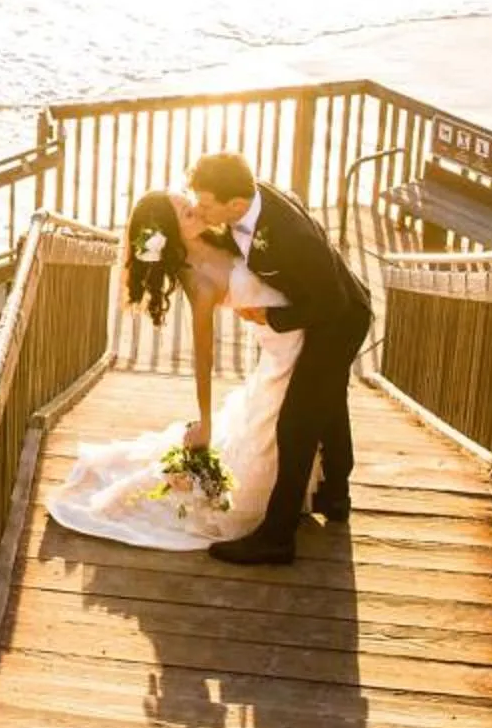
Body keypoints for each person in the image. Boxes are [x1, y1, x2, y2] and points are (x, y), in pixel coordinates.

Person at [40, 189, 304, 550]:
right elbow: (204, 357)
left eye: (189, 203)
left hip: (291, 328)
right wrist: (205, 422)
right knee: (268, 433)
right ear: (170, 232)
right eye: (186, 212)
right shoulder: (199, 283)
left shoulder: (221, 234)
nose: (195, 208)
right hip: (283, 344)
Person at [188, 151, 371, 565]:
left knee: (295, 424)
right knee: (329, 404)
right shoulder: (249, 202)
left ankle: (277, 537)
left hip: (340, 320)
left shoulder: (293, 237)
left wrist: (271, 316)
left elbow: (332, 302)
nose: (200, 209)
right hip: (329, 305)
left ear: (236, 204)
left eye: (206, 204)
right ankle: (335, 494)